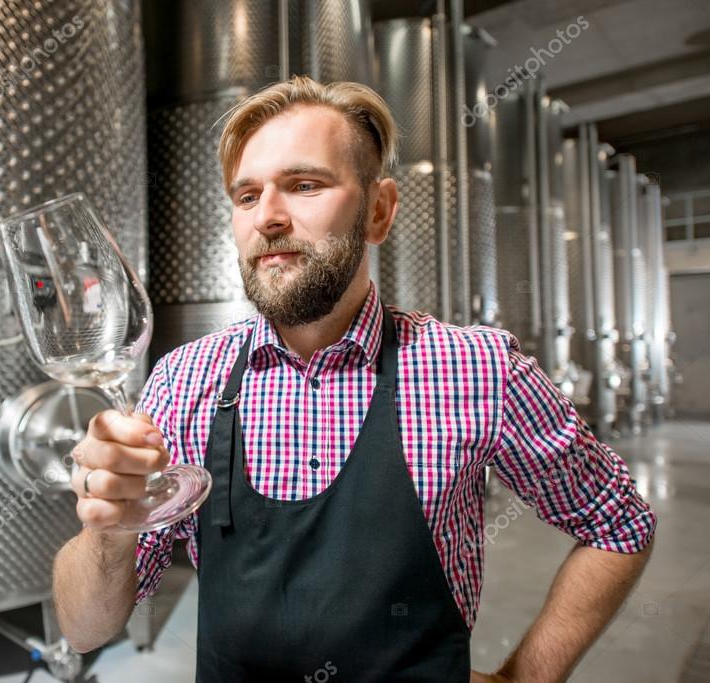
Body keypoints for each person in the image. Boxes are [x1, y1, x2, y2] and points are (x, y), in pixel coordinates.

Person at [52, 75, 657, 682]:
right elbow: (86, 629)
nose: (268, 218)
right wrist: (107, 530)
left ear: (379, 210)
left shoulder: (476, 368)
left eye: (304, 185)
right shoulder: (186, 379)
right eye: (246, 196)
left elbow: (618, 521)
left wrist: (525, 678)